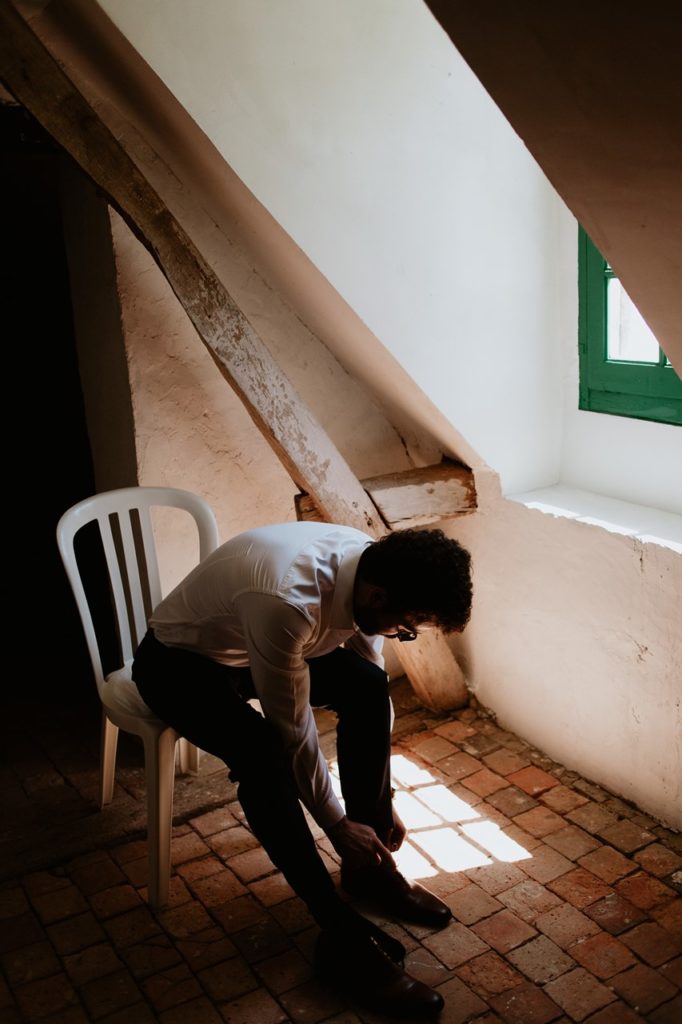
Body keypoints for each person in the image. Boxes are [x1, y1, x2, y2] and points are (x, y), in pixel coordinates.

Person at [132, 521, 473, 1018]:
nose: (404, 635)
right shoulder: (288, 601)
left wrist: (379, 807)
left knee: (369, 689)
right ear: (377, 597)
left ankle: (369, 868)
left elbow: (366, 672)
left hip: (245, 646)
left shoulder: (370, 570)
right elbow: (294, 731)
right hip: (180, 664)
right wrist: (336, 825)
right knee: (265, 755)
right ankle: (337, 929)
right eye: (406, 627)